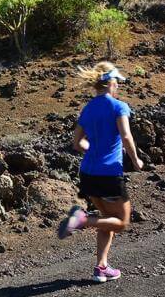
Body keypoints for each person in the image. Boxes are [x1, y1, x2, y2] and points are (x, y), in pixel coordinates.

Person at [57, 60, 143, 282]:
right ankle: (82, 220)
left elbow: (77, 143)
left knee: (108, 219)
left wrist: (93, 148)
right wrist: (135, 160)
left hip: (87, 173)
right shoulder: (118, 107)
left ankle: (101, 267)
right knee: (122, 222)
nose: (119, 87)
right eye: (117, 83)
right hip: (109, 175)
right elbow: (126, 136)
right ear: (111, 82)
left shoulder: (89, 108)